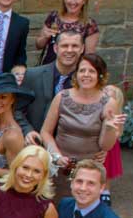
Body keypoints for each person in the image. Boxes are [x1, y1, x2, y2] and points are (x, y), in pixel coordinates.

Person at [40, 53, 124, 198]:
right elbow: (46, 132)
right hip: (61, 165)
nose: (86, 75)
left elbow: (106, 146)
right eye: (82, 70)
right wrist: (56, 156)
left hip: (89, 170)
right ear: (76, 74)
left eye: (92, 71)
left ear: (100, 75)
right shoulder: (62, 97)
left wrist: (109, 128)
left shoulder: (109, 103)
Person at [20, 27, 85, 137]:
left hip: (70, 145)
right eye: (64, 46)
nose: (69, 50)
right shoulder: (33, 75)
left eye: (75, 46)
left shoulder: (86, 81)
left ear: (82, 49)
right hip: (35, 142)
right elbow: (16, 110)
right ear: (55, 48)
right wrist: (28, 131)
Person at [34, 0, 101, 65]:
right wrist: (45, 37)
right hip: (49, 67)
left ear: (84, 1)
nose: (73, 2)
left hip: (73, 72)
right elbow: (38, 45)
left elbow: (89, 57)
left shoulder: (89, 24)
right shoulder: (54, 17)